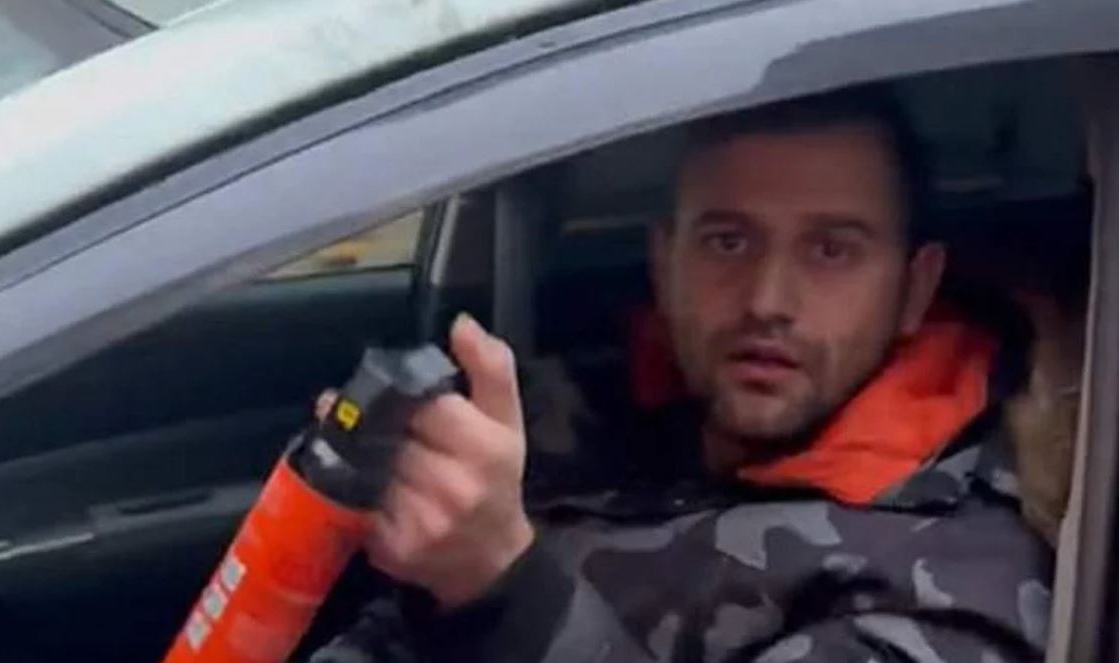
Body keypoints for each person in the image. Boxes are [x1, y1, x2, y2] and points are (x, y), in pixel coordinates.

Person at [311, 87, 1052, 663]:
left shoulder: (952, 581)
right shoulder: (576, 419)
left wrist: (504, 587)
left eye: (832, 251)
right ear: (664, 262)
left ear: (915, 289)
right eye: (727, 241)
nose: (767, 300)